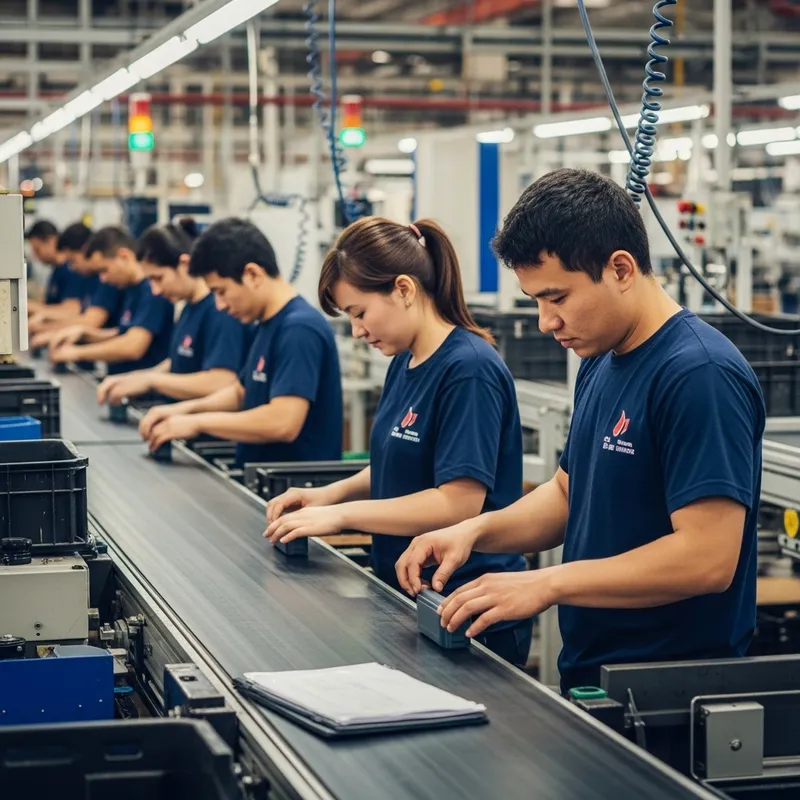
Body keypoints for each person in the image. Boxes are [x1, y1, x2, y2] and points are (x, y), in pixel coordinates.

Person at [395, 169, 766, 693]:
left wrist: (547, 582)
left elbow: (707, 559)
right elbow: (569, 494)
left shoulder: (699, 374)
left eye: (558, 298)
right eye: (536, 301)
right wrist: (474, 531)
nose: (546, 321)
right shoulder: (601, 358)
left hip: (671, 690)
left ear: (620, 269)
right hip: (596, 672)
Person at [263, 217, 533, 668]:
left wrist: (341, 517)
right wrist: (329, 494)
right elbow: (398, 462)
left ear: (404, 289)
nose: (357, 331)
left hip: (466, 609)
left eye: (359, 312)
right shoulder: (405, 362)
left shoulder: (469, 369)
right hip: (409, 596)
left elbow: (458, 503)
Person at [138, 218, 343, 467]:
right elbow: (240, 392)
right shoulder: (267, 323)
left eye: (221, 291)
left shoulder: (299, 329)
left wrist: (198, 422)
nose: (219, 305)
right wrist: (184, 410)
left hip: (296, 486)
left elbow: (283, 422)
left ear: (252, 275)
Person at [96, 220, 249, 405]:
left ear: (184, 265)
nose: (155, 290)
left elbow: (221, 381)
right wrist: (134, 379)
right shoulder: (189, 308)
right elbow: (177, 362)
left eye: (158, 278)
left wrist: (152, 382)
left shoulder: (221, 312)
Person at [49, 226, 174, 376]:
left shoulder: (153, 291)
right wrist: (85, 334)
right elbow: (123, 333)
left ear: (124, 256)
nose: (103, 279)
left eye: (104, 270)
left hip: (143, 388)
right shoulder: (130, 290)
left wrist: (78, 352)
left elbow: (133, 346)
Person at [29, 223, 122, 343]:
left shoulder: (105, 279)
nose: (72, 267)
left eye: (73, 261)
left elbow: (90, 321)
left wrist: (45, 329)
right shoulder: (91, 279)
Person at [26, 220, 92, 317]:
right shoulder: (57, 271)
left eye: (37, 250)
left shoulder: (70, 270)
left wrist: (27, 306)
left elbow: (71, 310)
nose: (36, 256)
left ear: (51, 241)